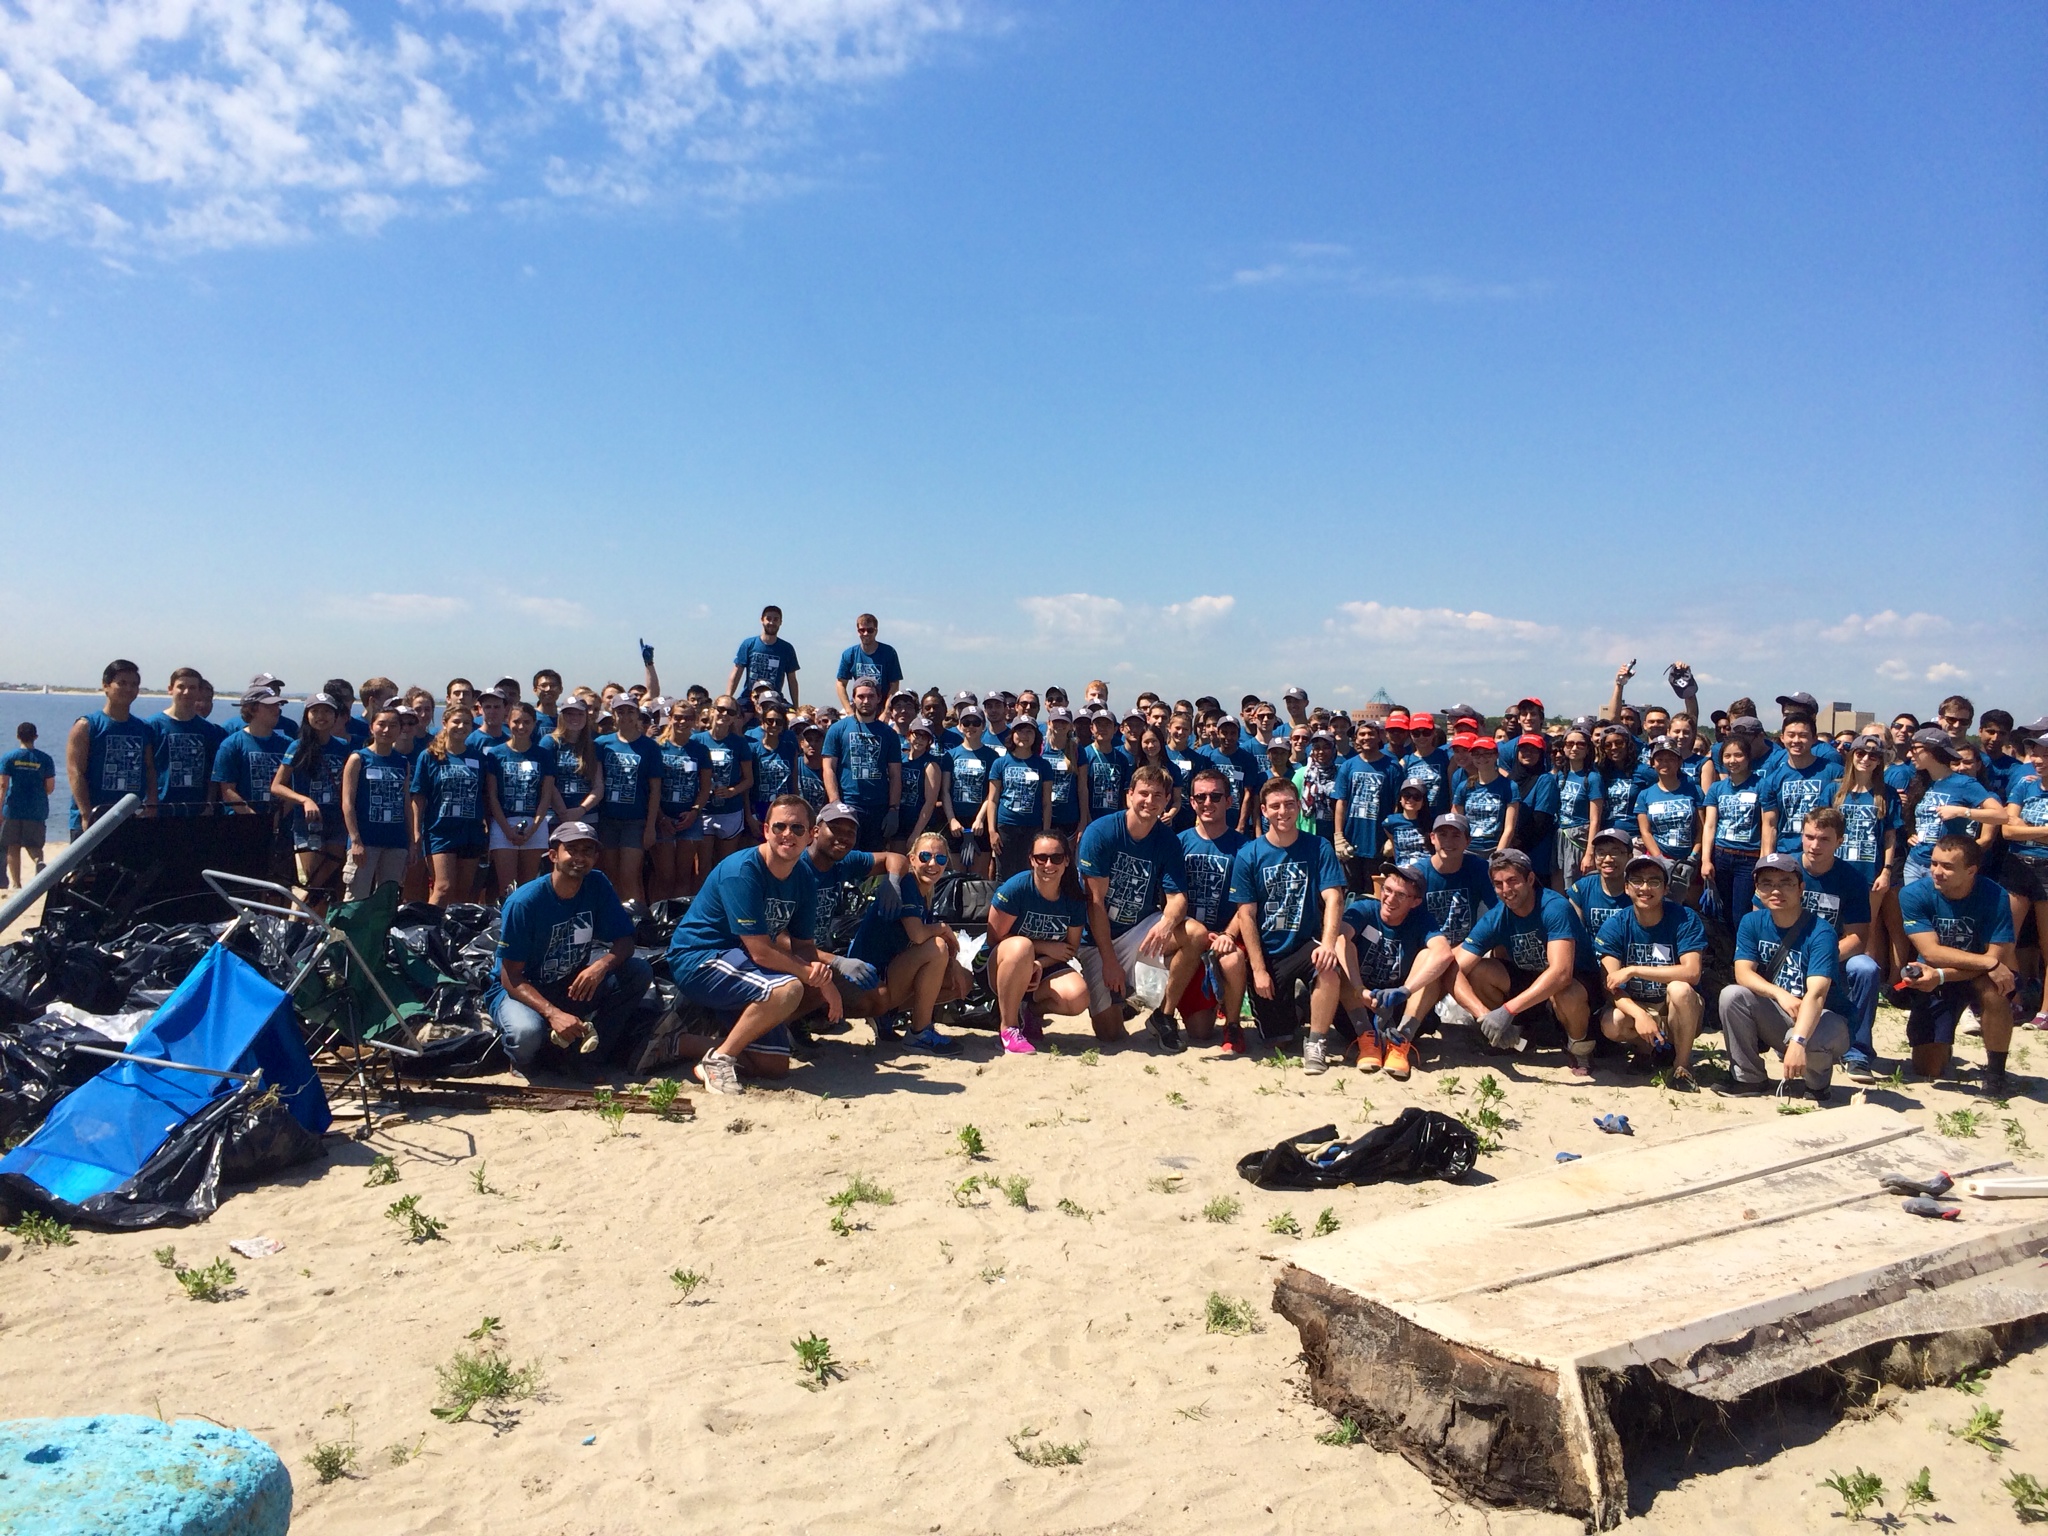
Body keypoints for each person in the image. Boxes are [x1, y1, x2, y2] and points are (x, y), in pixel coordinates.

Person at [667, 795, 843, 1094]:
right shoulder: (743, 870)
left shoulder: (803, 878)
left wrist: (823, 978)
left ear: (812, 834)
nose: (788, 835)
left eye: (798, 828)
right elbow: (761, 950)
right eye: (780, 827)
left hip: (743, 963)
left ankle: (680, 1043)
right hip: (701, 958)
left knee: (773, 1067)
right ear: (766, 830)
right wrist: (810, 976)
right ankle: (720, 1059)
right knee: (788, 988)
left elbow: (803, 947)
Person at [486, 821, 653, 1067]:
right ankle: (522, 1061)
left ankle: (587, 1058)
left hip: (567, 983)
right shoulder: (524, 903)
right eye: (572, 850)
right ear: (553, 855)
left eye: (587, 851)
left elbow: (625, 942)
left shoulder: (597, 884)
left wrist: (601, 966)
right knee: (526, 1035)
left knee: (639, 971)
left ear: (596, 857)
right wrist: (553, 1013)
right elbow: (510, 976)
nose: (579, 858)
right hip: (521, 990)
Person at [1075, 765, 1200, 1050]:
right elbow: (1094, 903)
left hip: (1139, 928)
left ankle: (1164, 1015)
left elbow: (1178, 897)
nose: (1150, 801)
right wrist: (1109, 961)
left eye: (1158, 795)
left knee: (1194, 933)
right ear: (1129, 795)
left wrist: (1167, 922)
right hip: (1097, 937)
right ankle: (1125, 994)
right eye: (1143, 793)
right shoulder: (1102, 832)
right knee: (1110, 1035)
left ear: (1167, 800)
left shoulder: (1168, 839)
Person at [1229, 777, 1347, 1069]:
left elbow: (1334, 897)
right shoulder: (1249, 854)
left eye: (1289, 804)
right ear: (1264, 811)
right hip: (1269, 951)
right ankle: (1301, 1006)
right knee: (1277, 1041)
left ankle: (1317, 1041)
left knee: (1328, 967)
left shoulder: (1318, 847)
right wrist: (1258, 970)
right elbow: (1246, 914)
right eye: (1275, 806)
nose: (1283, 812)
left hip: (1304, 943)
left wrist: (1329, 944)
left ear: (1299, 806)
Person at [1716, 852, 1852, 1102]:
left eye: (1785, 883)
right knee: (1732, 995)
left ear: (1801, 888)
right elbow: (1742, 973)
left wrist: (1799, 1041)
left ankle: (1817, 1084)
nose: (1776, 891)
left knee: (1816, 1033)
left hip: (1824, 1019)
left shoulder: (1822, 931)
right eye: (1766, 883)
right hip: (1780, 1012)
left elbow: (1817, 993)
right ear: (1757, 889)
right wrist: (1780, 994)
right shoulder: (1751, 921)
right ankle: (1749, 1077)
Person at [1450, 848, 1596, 1077]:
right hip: (1530, 987)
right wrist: (1484, 1015)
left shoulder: (1554, 906)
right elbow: (1453, 969)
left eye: (1512, 881)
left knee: (1566, 991)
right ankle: (1514, 1035)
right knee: (1478, 970)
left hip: (1577, 987)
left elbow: (1561, 973)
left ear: (1530, 879)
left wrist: (1507, 1009)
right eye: (1498, 884)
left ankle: (1578, 1047)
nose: (1506, 890)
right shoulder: (1497, 916)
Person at [1899, 834, 2019, 1095]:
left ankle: (1996, 1072)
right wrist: (1986, 962)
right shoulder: (1913, 893)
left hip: (1970, 977)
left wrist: (1985, 965)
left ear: (1971, 871)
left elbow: (1999, 954)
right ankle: (1943, 1042)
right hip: (1935, 976)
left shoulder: (1995, 895)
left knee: (1996, 987)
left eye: (1947, 867)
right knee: (1928, 1068)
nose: (1936, 872)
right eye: (1934, 863)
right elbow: (1931, 952)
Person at [846, 828, 970, 1051]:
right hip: (866, 981)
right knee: (936, 947)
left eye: (940, 858)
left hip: (885, 974)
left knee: (961, 981)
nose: (933, 864)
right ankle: (919, 1033)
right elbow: (919, 935)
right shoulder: (908, 884)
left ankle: (886, 1016)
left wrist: (953, 964)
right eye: (925, 856)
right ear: (912, 858)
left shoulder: (925, 893)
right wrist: (944, 928)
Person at [1786, 806, 1882, 1081]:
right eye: (1809, 836)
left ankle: (1858, 1052)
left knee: (1866, 968)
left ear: (1840, 841)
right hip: (1785, 956)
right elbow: (1759, 921)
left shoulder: (1851, 879)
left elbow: (1858, 937)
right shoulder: (1785, 868)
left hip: (1833, 955)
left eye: (1824, 839)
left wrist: (1822, 958)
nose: (1815, 845)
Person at [1594, 853, 1707, 1085]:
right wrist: (1640, 1015)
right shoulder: (1615, 924)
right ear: (1626, 888)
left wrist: (1634, 969)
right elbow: (1611, 986)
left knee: (1681, 989)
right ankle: (1646, 1050)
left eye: (1654, 881)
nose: (1645, 888)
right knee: (1611, 1022)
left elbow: (1692, 972)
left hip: (1675, 1008)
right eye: (1637, 881)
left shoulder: (1685, 918)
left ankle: (1682, 1065)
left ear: (1666, 889)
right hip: (1638, 1004)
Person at [986, 828, 1093, 1055]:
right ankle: (1009, 1027)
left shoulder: (1073, 895)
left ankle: (1031, 1011)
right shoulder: (1017, 888)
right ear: (1031, 860)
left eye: (1055, 858)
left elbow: (1070, 948)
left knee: (1078, 997)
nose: (1048, 864)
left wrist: (1039, 964)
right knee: (1021, 947)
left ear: (1066, 861)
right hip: (1001, 964)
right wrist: (1041, 947)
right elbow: (994, 938)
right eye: (1041, 858)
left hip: (1043, 966)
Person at [1175, 767, 1252, 1051]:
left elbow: (1247, 903)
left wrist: (1228, 935)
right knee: (1199, 1033)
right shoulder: (1180, 842)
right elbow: (1168, 896)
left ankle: (1233, 1024)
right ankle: (1209, 1002)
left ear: (1229, 801)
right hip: (1190, 938)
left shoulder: (1244, 846)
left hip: (1226, 932)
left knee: (1232, 960)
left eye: (1216, 796)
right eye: (1201, 797)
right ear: (1192, 802)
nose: (1208, 803)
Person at [269, 693, 351, 905]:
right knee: (313, 878)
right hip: (307, 823)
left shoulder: (343, 747)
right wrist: (304, 800)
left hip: (337, 821)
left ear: (335, 716)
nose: (321, 716)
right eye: (315, 711)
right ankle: (301, 921)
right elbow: (277, 786)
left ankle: (310, 915)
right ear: (307, 715)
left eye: (327, 711)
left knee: (330, 878)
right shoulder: (297, 746)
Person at [66, 658, 157, 833]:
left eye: (134, 684)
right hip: (94, 820)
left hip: (132, 818)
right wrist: (86, 814)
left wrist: (151, 804)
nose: (128, 689)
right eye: (121, 683)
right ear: (106, 685)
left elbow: (149, 769)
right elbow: (75, 771)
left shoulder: (143, 728)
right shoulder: (87, 725)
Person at [410, 705, 487, 907]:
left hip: (471, 831)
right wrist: (416, 831)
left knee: (463, 893)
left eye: (467, 723)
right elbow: (418, 796)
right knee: (443, 888)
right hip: (440, 831)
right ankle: (428, 932)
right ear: (445, 724)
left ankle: (453, 935)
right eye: (456, 722)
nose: (461, 726)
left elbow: (486, 795)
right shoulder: (429, 756)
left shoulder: (478, 758)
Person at [1901, 727, 2000, 881]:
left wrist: (1961, 812)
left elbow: (2000, 815)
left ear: (1932, 750)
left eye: (1914, 748)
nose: (1909, 754)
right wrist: (1911, 833)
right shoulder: (1921, 782)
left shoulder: (1964, 783)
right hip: (1914, 862)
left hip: (1946, 867)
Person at [485, 702, 564, 893]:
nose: (521, 727)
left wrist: (533, 828)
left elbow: (546, 796)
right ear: (507, 721)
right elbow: (492, 796)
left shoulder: (542, 755)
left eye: (527, 722)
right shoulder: (496, 754)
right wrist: (506, 830)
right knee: (507, 887)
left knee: (529, 886)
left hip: (534, 823)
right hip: (503, 824)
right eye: (516, 721)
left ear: (534, 723)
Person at [593, 697, 662, 908]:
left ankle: (638, 924)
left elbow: (655, 790)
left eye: (630, 712)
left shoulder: (649, 747)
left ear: (637, 715)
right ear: (614, 715)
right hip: (608, 819)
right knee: (611, 875)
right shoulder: (601, 744)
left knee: (629, 875)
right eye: (620, 712)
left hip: (636, 821)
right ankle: (615, 923)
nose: (625, 716)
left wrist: (650, 826)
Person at [2000, 729, 2048, 1029]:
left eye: (2044, 754)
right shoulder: (2025, 785)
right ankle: (2014, 1001)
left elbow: (2018, 824)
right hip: (2017, 864)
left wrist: (2024, 825)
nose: (2037, 759)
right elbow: (2007, 829)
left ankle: (2044, 1010)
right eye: (2036, 753)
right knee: (2006, 938)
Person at [341, 703, 414, 899]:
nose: (386, 730)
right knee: (357, 898)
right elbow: (347, 802)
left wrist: (411, 842)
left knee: (386, 900)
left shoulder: (402, 762)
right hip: (366, 841)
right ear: (371, 727)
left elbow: (406, 803)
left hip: (396, 841)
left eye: (393, 726)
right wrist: (355, 840)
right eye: (381, 724)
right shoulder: (358, 758)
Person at [823, 678, 903, 852]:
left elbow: (895, 774)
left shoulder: (888, 734)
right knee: (845, 857)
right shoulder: (838, 729)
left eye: (870, 696)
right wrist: (835, 802)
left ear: (878, 698)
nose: (865, 701)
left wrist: (893, 809)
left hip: (878, 808)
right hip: (848, 805)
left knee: (872, 864)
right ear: (853, 698)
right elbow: (828, 768)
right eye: (861, 696)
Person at [649, 699, 712, 902]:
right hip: (663, 817)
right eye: (677, 717)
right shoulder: (657, 748)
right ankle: (658, 918)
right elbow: (651, 788)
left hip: (689, 819)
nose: (682, 722)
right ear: (670, 718)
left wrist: (694, 811)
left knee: (684, 874)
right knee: (665, 875)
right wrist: (660, 817)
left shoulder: (700, 750)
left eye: (687, 718)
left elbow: (705, 787)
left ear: (694, 721)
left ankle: (678, 921)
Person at [1701, 732, 1767, 923]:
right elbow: (1710, 825)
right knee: (1721, 913)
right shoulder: (1717, 789)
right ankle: (1725, 952)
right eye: (1727, 756)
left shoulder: (1761, 786)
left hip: (1748, 858)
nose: (1732, 760)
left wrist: (1763, 861)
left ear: (1748, 757)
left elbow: (1768, 826)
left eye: (1738, 755)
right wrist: (1706, 860)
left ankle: (1742, 951)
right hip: (1721, 855)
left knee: (1741, 913)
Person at [1332, 717, 1400, 892]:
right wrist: (1339, 836)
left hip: (1378, 843)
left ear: (1379, 737)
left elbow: (1397, 805)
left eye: (1371, 733)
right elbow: (1341, 802)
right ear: (1356, 739)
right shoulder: (1348, 766)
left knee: (1376, 893)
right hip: (1351, 842)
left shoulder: (1392, 767)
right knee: (1351, 893)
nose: (1366, 737)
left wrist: (1392, 838)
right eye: (1362, 734)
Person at [1634, 736, 1704, 905]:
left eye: (1671, 759)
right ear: (1652, 763)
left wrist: (1693, 857)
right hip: (1660, 857)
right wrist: (1660, 859)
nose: (1665, 763)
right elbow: (1646, 832)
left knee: (1691, 907)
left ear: (1679, 762)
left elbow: (1702, 829)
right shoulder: (1645, 794)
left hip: (1689, 859)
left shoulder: (1694, 790)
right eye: (1660, 759)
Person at [1759, 714, 1842, 854]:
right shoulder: (1772, 780)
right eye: (1791, 735)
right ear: (1782, 738)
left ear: (1814, 739)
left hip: (1823, 853)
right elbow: (1770, 825)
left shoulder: (1835, 772)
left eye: (1803, 735)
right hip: (1786, 853)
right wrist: (1766, 860)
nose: (1796, 740)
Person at [150, 667, 224, 816]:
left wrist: (209, 804)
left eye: (192, 688)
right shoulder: (153, 725)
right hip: (161, 808)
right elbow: (146, 768)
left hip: (197, 809)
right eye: (181, 687)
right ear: (170, 689)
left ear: (198, 691)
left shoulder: (210, 731)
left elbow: (213, 772)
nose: (186, 692)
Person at [987, 714, 1052, 880]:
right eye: (1020, 731)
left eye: (1029, 731)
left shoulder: (1043, 765)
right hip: (1006, 826)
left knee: (1030, 873)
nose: (1024, 735)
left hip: (1033, 827)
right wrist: (992, 831)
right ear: (1012, 735)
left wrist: (1045, 832)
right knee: (1003, 874)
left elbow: (1046, 803)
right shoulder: (1000, 763)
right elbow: (993, 800)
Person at [212, 686, 291, 816]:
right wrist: (253, 817)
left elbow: (295, 786)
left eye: (278, 705)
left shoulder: (288, 745)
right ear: (252, 710)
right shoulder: (231, 745)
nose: (276, 710)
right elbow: (227, 790)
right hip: (242, 823)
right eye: (269, 706)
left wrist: (278, 817)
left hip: (281, 824)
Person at [696, 695, 757, 864]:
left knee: (726, 864)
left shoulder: (739, 744)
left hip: (730, 811)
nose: (724, 714)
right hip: (704, 811)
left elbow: (748, 779)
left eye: (730, 712)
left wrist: (732, 791)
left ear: (735, 717)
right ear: (712, 711)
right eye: (721, 709)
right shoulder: (697, 740)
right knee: (703, 866)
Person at [1, 723, 56, 890]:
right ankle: (38, 861)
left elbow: (3, 785)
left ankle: (17, 885)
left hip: (13, 808)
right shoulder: (45, 759)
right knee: (34, 845)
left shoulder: (9, 757)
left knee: (13, 845)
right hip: (36, 808)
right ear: (35, 737)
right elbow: (50, 787)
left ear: (18, 736)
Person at [1569, 826, 1636, 963]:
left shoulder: (1640, 890)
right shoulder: (1582, 888)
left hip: (1630, 962)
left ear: (1630, 856)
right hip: (1592, 963)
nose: (1608, 859)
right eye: (1601, 853)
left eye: (1615, 852)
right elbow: (1575, 932)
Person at [1451, 730, 1518, 856]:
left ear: (1496, 755)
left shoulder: (1509, 786)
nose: (1481, 758)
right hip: (1468, 849)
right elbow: (1457, 822)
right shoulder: (1463, 786)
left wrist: (1498, 855)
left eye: (1487, 754)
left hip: (1494, 847)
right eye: (1476, 754)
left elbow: (1509, 828)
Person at [728, 604, 801, 709]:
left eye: (776, 619)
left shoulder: (787, 648)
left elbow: (792, 679)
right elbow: (736, 672)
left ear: (781, 622)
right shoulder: (749, 644)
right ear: (762, 620)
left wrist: (796, 706)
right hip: (749, 698)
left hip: (775, 698)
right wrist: (728, 698)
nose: (772, 622)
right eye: (768, 619)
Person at [834, 614, 902, 711]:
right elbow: (840, 683)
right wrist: (849, 711)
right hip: (859, 706)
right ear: (858, 632)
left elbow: (894, 684)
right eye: (862, 630)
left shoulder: (889, 652)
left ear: (876, 631)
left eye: (870, 630)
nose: (866, 633)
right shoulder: (849, 654)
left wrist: (886, 712)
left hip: (882, 707)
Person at [1041, 707, 1091, 839]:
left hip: (1068, 817)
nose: (1060, 725)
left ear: (1070, 726)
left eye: (1064, 722)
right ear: (1049, 723)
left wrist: (1083, 821)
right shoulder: (1040, 748)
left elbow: (1082, 788)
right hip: (1042, 815)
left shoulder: (1077, 750)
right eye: (1056, 721)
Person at [1383, 780, 1433, 867]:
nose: (1411, 800)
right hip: (1402, 869)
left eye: (1417, 797)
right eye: (1407, 795)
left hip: (1425, 870)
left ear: (1423, 801)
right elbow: (1394, 847)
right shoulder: (1390, 822)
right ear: (1400, 799)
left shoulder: (1432, 823)